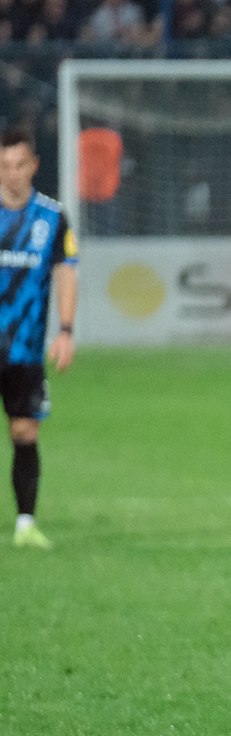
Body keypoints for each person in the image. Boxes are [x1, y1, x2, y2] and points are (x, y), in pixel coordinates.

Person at [0, 126, 77, 550]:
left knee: (25, 432)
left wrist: (65, 331)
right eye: (4, 166)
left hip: (25, 350)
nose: (11, 174)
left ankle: (25, 524)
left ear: (34, 166)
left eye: (19, 165)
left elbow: (66, 273)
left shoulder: (52, 217)